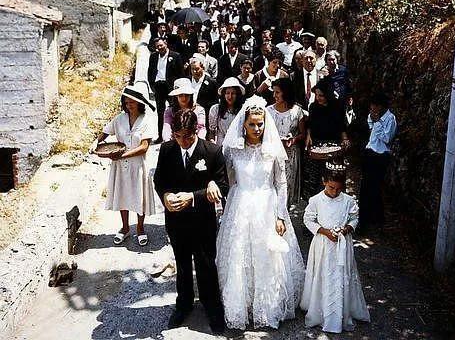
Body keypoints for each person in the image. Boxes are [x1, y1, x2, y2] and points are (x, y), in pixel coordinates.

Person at [216, 95, 304, 330]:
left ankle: (268, 305)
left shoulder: (272, 150)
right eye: (252, 124)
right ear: (243, 124)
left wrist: (280, 215)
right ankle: (243, 303)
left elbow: (281, 183)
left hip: (267, 205)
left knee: (268, 257)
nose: (257, 129)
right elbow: (230, 181)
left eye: (260, 124)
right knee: (240, 255)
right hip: (241, 204)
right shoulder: (233, 151)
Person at [153, 110, 228, 334]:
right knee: (182, 264)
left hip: (202, 220)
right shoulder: (167, 150)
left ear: (196, 131)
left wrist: (194, 197)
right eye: (178, 136)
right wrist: (166, 196)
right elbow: (159, 180)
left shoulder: (212, 151)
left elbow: (223, 185)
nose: (182, 141)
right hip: (176, 220)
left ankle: (211, 306)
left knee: (206, 264)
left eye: (187, 136)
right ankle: (184, 304)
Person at [301, 167, 370, 333]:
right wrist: (324, 231)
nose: (334, 192)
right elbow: (308, 219)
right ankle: (320, 308)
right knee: (323, 272)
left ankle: (341, 310)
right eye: (331, 187)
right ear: (324, 182)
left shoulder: (348, 201)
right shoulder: (316, 200)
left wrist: (346, 229)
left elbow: (354, 218)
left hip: (342, 244)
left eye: (338, 189)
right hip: (323, 244)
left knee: (341, 273)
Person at [92, 84, 157, 246]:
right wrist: (95, 142)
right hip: (120, 166)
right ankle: (125, 228)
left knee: (139, 195)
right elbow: (105, 132)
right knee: (122, 194)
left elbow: (144, 147)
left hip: (138, 165)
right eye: (126, 103)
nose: (129, 106)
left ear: (139, 103)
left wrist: (121, 155)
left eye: (132, 102)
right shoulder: (119, 119)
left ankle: (140, 228)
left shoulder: (146, 120)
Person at [304, 79, 350, 199]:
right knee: (315, 178)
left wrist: (345, 139)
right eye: (317, 95)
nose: (318, 98)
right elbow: (309, 125)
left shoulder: (338, 106)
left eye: (321, 95)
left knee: (333, 177)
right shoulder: (313, 107)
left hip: (334, 146)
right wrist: (308, 136)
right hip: (317, 146)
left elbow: (342, 126)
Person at [358, 92, 397, 230]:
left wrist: (378, 123)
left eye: (374, 106)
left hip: (381, 156)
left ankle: (377, 219)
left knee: (375, 188)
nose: (372, 109)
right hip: (370, 153)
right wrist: (374, 121)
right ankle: (364, 220)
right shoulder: (372, 116)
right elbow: (370, 129)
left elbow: (387, 138)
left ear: (381, 106)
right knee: (365, 187)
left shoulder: (390, 119)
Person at [267, 78, 306, 206]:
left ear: (286, 92)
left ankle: (285, 212)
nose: (274, 95)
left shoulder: (297, 111)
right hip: (272, 154)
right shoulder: (268, 111)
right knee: (273, 185)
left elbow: (302, 134)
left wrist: (293, 139)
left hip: (291, 155)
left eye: (277, 92)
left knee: (288, 185)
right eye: (273, 92)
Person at [147, 37, 184, 143]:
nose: (160, 48)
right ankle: (160, 136)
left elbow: (181, 74)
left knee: (175, 110)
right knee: (160, 112)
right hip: (159, 86)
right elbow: (150, 71)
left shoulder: (175, 56)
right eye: (157, 46)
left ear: (166, 44)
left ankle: (176, 135)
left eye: (161, 45)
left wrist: (178, 88)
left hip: (171, 87)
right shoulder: (153, 56)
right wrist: (152, 84)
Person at [208, 77, 245, 146]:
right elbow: (212, 132)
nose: (230, 96)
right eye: (227, 93)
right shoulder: (215, 109)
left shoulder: (243, 109)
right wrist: (212, 143)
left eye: (233, 93)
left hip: (238, 144)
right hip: (221, 144)